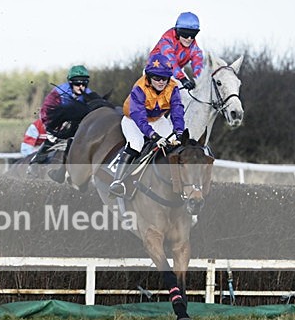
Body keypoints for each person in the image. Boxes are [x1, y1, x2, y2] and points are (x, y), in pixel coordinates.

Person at [108, 53, 186, 196]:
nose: (161, 81)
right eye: (157, 78)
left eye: (165, 78)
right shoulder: (140, 87)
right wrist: (153, 135)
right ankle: (117, 182)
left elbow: (177, 111)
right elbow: (139, 117)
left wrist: (179, 132)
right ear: (149, 77)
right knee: (136, 143)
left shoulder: (173, 87)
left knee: (176, 146)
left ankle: (182, 186)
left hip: (158, 119)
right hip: (133, 120)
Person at [29, 65, 95, 179]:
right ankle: (36, 161)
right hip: (55, 122)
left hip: (78, 124)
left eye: (84, 84)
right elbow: (46, 111)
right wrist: (52, 129)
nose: (81, 87)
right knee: (52, 138)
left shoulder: (89, 94)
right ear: (70, 83)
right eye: (77, 84)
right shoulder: (58, 92)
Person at [148, 12, 204, 90]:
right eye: (185, 34)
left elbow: (198, 60)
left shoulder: (193, 45)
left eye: (193, 35)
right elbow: (170, 61)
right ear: (178, 32)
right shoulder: (166, 40)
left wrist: (199, 79)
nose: (189, 39)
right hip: (155, 73)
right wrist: (182, 79)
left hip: (176, 72)